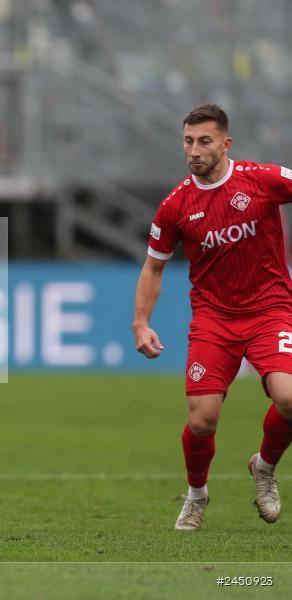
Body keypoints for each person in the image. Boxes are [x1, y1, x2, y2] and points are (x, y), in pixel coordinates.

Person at [133, 103, 292, 529]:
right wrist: (141, 322)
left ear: (226, 143)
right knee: (202, 421)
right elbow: (153, 267)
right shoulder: (176, 205)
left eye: (204, 141)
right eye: (188, 141)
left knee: (290, 398)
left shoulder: (261, 180)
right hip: (214, 319)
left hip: (270, 311)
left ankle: (264, 467)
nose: (194, 150)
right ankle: (196, 495)